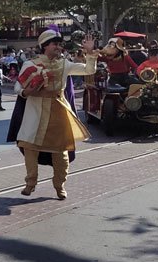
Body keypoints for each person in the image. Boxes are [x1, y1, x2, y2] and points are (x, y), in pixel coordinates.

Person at [15, 30, 98, 200]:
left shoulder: (65, 64)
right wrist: (26, 91)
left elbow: (89, 70)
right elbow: (18, 86)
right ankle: (30, 183)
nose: (59, 48)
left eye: (60, 44)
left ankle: (59, 185)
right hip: (35, 111)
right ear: (45, 46)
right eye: (55, 44)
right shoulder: (31, 64)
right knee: (29, 147)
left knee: (61, 152)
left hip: (59, 111)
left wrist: (90, 53)